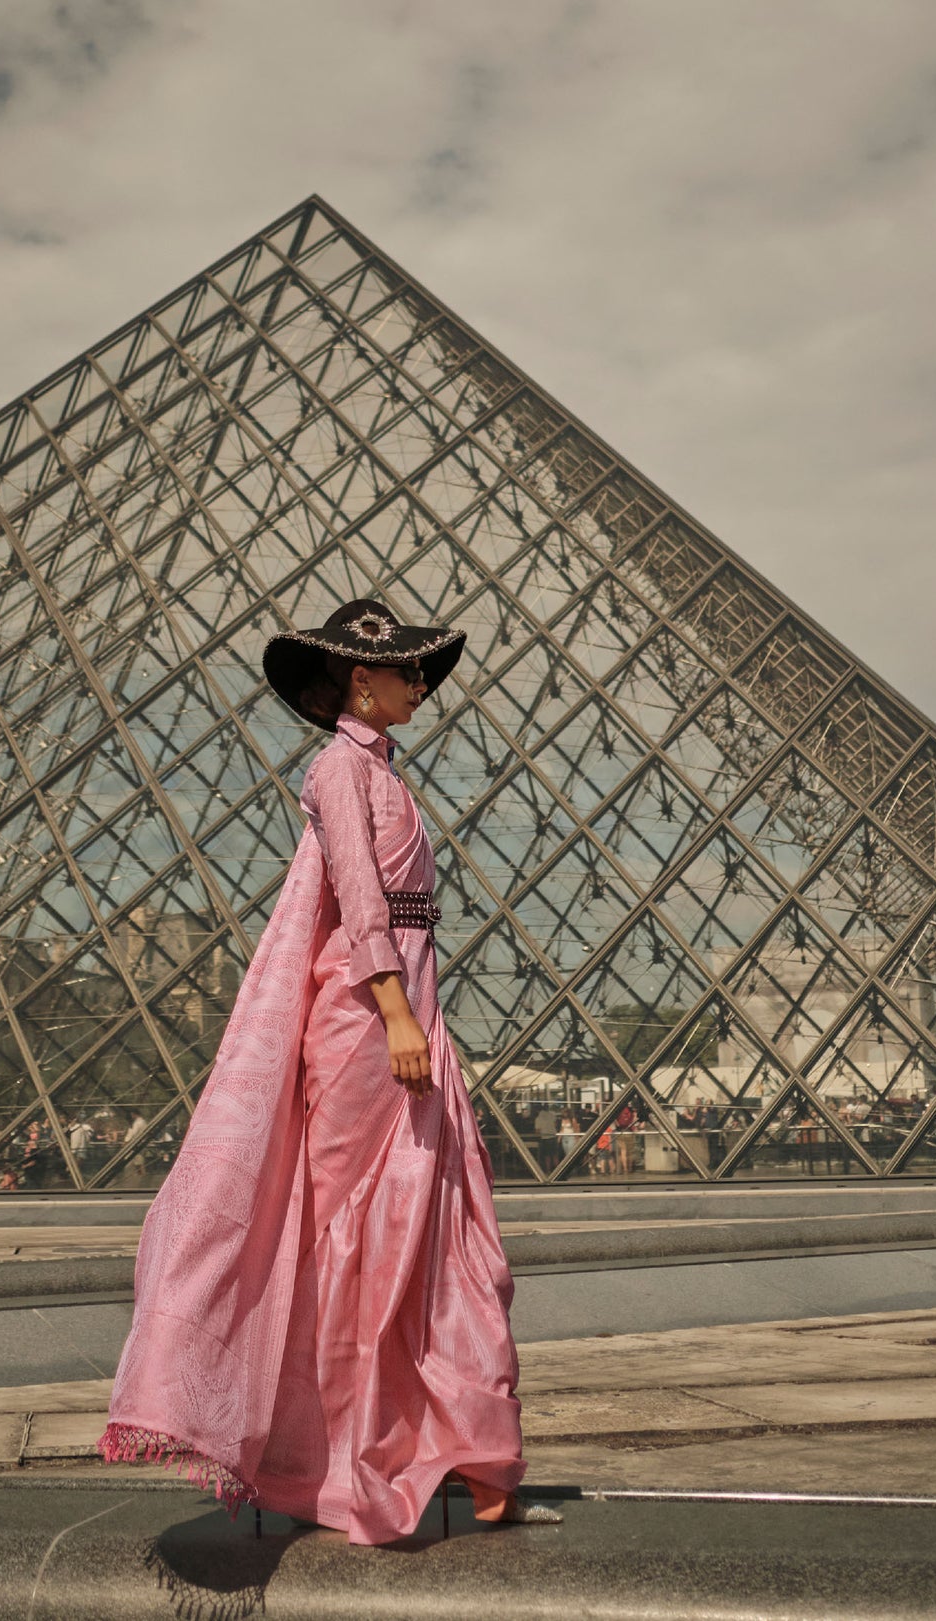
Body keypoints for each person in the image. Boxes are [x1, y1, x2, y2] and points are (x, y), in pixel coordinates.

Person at [99, 600, 557, 1543]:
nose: (421, 685)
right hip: (368, 1024)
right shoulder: (338, 769)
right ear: (361, 679)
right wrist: (395, 1014)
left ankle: (465, 1451)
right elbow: (358, 897)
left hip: (406, 1017)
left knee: (441, 1233)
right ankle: (358, 1457)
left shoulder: (382, 770)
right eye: (408, 671)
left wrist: (416, 1018)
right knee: (365, 1240)